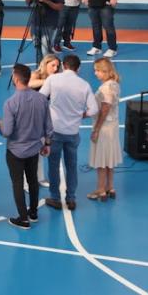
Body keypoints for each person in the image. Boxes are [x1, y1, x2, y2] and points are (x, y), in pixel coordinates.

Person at [40, 54, 98, 211]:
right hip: (72, 132)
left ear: (63, 65)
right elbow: (94, 109)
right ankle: (71, 198)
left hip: (55, 131)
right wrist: (81, 114)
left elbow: (40, 98)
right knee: (71, 166)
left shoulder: (53, 80)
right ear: (78, 68)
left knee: (53, 165)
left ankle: (55, 198)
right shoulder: (84, 85)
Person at [0, 64, 53, 229]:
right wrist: (47, 144)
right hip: (34, 149)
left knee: (17, 183)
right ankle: (33, 212)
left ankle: (23, 219)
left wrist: (0, 126)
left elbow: (7, 131)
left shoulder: (11, 103)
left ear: (15, 79)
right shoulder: (41, 99)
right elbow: (48, 125)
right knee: (33, 181)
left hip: (16, 150)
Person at [88, 57, 122, 201]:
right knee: (109, 158)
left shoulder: (106, 88)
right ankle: (110, 187)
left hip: (105, 128)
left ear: (105, 71)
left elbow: (105, 108)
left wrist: (96, 129)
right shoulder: (114, 84)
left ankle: (101, 190)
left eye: (97, 70)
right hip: (113, 126)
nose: (95, 73)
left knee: (102, 160)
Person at [26, 0, 65, 65]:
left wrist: (46, 1)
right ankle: (40, 67)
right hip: (36, 22)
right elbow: (27, 2)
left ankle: (49, 69)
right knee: (37, 46)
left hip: (50, 24)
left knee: (45, 49)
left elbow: (60, 6)